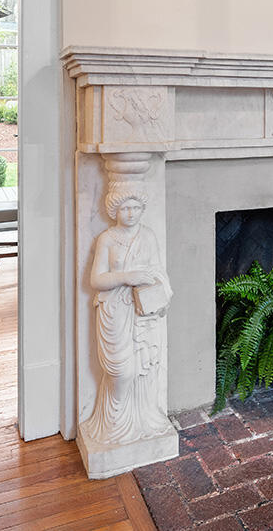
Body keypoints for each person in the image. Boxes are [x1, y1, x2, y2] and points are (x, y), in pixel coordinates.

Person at [80, 184, 174, 447]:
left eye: (136, 207)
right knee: (122, 371)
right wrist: (126, 277)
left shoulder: (149, 236)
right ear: (115, 210)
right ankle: (114, 422)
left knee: (144, 370)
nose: (131, 213)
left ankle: (142, 419)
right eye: (125, 208)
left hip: (142, 310)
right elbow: (96, 279)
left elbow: (158, 270)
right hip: (115, 310)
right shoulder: (107, 239)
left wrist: (154, 280)